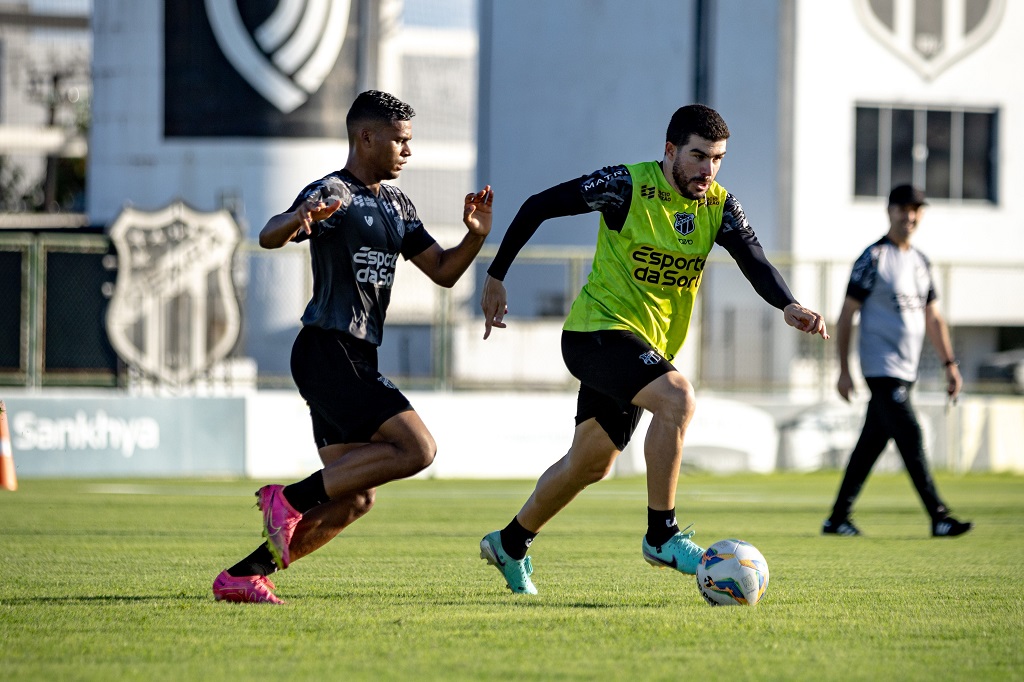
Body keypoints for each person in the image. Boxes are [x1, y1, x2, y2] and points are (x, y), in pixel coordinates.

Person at [477, 104, 829, 595]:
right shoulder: (625, 185)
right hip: (595, 333)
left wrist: (787, 304)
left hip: (643, 348)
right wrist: (496, 276)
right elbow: (538, 204)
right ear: (670, 151)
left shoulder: (720, 205)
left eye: (718, 159)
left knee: (591, 464)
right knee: (677, 397)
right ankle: (661, 534)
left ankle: (509, 543)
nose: (708, 170)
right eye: (698, 156)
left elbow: (754, 259)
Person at [213, 90, 494, 603]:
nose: (408, 152)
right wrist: (297, 221)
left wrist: (474, 237)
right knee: (418, 448)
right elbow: (268, 234)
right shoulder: (333, 193)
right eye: (400, 141)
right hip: (327, 349)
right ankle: (289, 497)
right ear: (366, 138)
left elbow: (445, 272)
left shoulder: (397, 203)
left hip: (356, 355)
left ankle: (241, 575)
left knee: (353, 498)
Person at [823, 185, 972, 538]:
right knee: (911, 434)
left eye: (917, 210)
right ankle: (939, 516)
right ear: (890, 211)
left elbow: (933, 317)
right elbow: (846, 315)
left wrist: (950, 364)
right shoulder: (872, 258)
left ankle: (837, 519)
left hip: (907, 371)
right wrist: (843, 370)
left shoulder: (920, 262)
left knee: (870, 445)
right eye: (904, 209)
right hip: (881, 369)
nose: (911, 216)